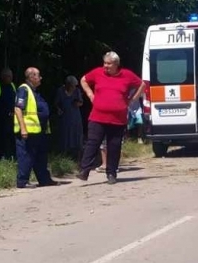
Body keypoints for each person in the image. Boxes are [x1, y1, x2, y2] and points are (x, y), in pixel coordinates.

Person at [76, 51, 145, 185]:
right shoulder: (97, 72)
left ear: (116, 64)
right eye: (104, 63)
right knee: (92, 143)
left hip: (117, 119)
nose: (105, 66)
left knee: (114, 146)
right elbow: (83, 80)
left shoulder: (127, 75)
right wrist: (90, 94)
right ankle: (84, 170)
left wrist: (132, 99)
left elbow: (142, 84)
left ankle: (111, 173)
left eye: (108, 63)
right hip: (97, 117)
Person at [14, 67, 57, 188]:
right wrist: (23, 128)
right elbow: (18, 109)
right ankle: (22, 181)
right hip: (28, 131)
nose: (40, 78)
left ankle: (44, 179)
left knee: (41, 156)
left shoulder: (35, 91)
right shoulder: (24, 89)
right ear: (32, 77)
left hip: (38, 131)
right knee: (26, 156)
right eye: (38, 75)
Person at [53, 75, 83, 160]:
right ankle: (64, 156)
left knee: (76, 135)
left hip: (75, 116)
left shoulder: (77, 91)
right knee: (65, 135)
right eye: (72, 85)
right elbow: (56, 103)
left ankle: (77, 157)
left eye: (75, 86)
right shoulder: (60, 91)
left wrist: (78, 103)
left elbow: (81, 102)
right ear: (68, 84)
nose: (74, 87)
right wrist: (58, 109)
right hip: (65, 116)